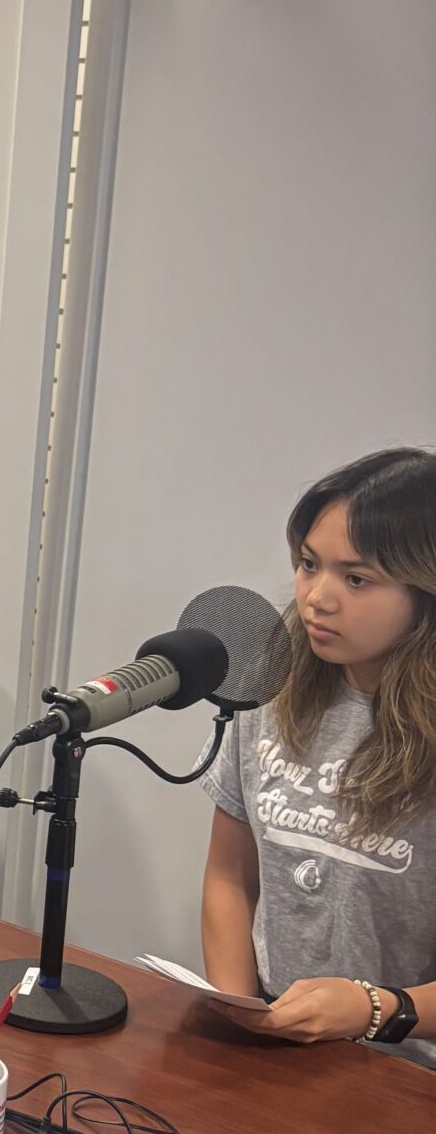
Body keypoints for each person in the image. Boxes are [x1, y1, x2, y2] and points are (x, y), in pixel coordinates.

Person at [202, 447, 436, 1066]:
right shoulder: (268, 690)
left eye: (356, 579)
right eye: (309, 565)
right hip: (273, 1040)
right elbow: (229, 878)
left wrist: (376, 1008)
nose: (317, 598)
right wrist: (242, 1013)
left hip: (406, 1067)